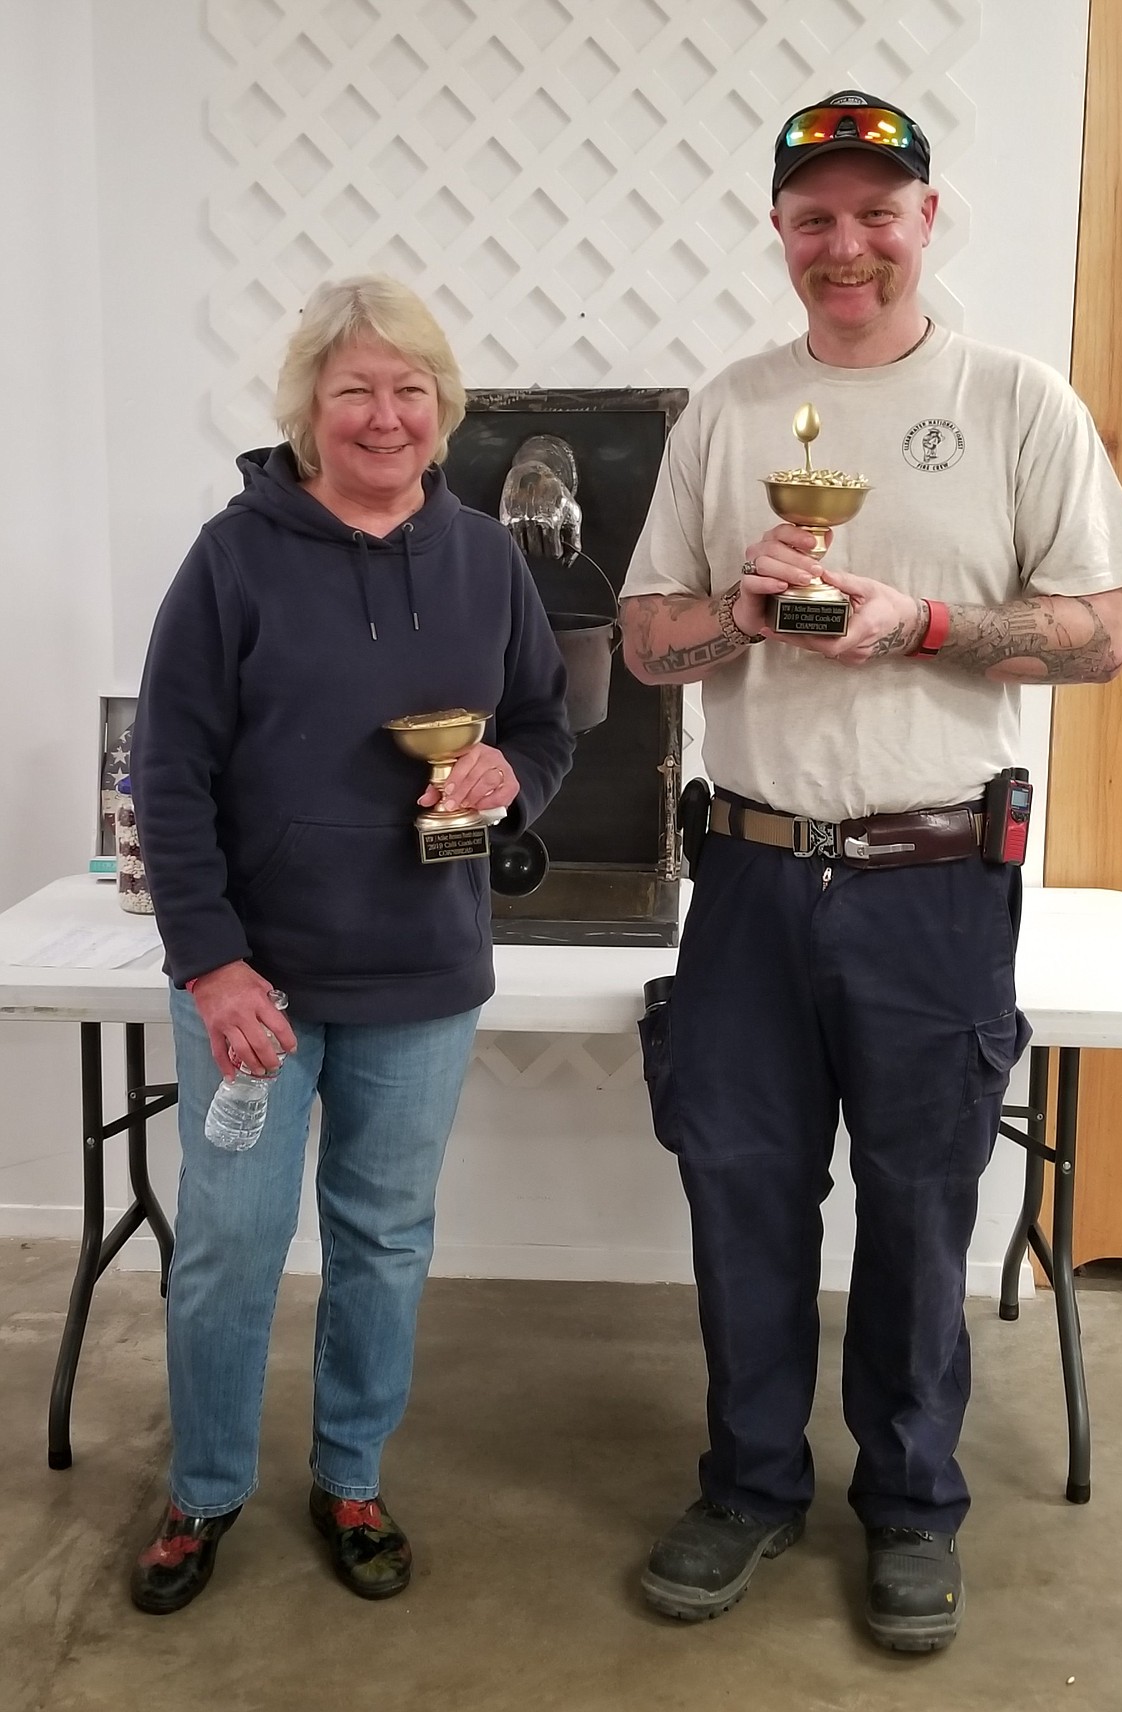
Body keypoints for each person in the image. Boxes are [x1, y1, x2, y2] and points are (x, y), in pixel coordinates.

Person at [620, 91, 1122, 1651]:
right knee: (741, 1196)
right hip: (751, 875)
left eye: (872, 213)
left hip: (930, 881)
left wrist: (909, 622)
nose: (841, 245)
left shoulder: (1014, 401)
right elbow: (651, 645)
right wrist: (743, 604)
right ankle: (748, 1486)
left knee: (919, 1208)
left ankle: (912, 1507)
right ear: (779, 232)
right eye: (812, 217)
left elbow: (1099, 635)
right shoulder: (725, 411)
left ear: (925, 220)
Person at [129, 274, 572, 1614]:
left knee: (383, 1239)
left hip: (422, 978)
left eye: (408, 390)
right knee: (228, 1246)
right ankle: (203, 1490)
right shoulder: (235, 556)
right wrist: (210, 963)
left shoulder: (487, 559)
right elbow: (169, 772)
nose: (384, 416)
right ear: (307, 411)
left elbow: (545, 729)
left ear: (443, 411)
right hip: (257, 990)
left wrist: (509, 781)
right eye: (353, 391)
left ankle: (351, 1476)